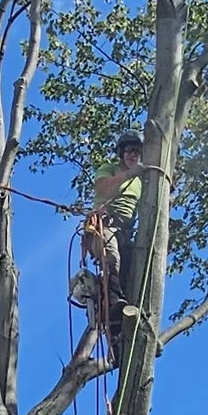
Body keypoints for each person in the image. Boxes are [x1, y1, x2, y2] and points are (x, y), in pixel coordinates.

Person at [81, 133, 146, 359]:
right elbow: (102, 188)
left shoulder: (141, 181)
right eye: (129, 150)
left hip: (125, 232)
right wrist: (128, 174)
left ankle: (119, 336)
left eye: (137, 151)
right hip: (104, 223)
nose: (133, 155)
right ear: (121, 153)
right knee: (112, 258)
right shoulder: (109, 168)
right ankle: (113, 300)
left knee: (130, 278)